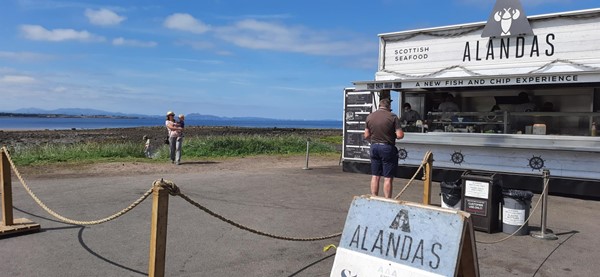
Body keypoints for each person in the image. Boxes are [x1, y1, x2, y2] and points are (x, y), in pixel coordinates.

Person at [364, 98, 404, 198]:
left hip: (374, 147)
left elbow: (366, 135)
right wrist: (391, 135)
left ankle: (374, 197)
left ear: (380, 105)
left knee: (375, 175)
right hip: (387, 147)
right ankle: (387, 200)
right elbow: (400, 135)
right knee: (388, 177)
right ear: (389, 106)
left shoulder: (370, 117)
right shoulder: (393, 117)